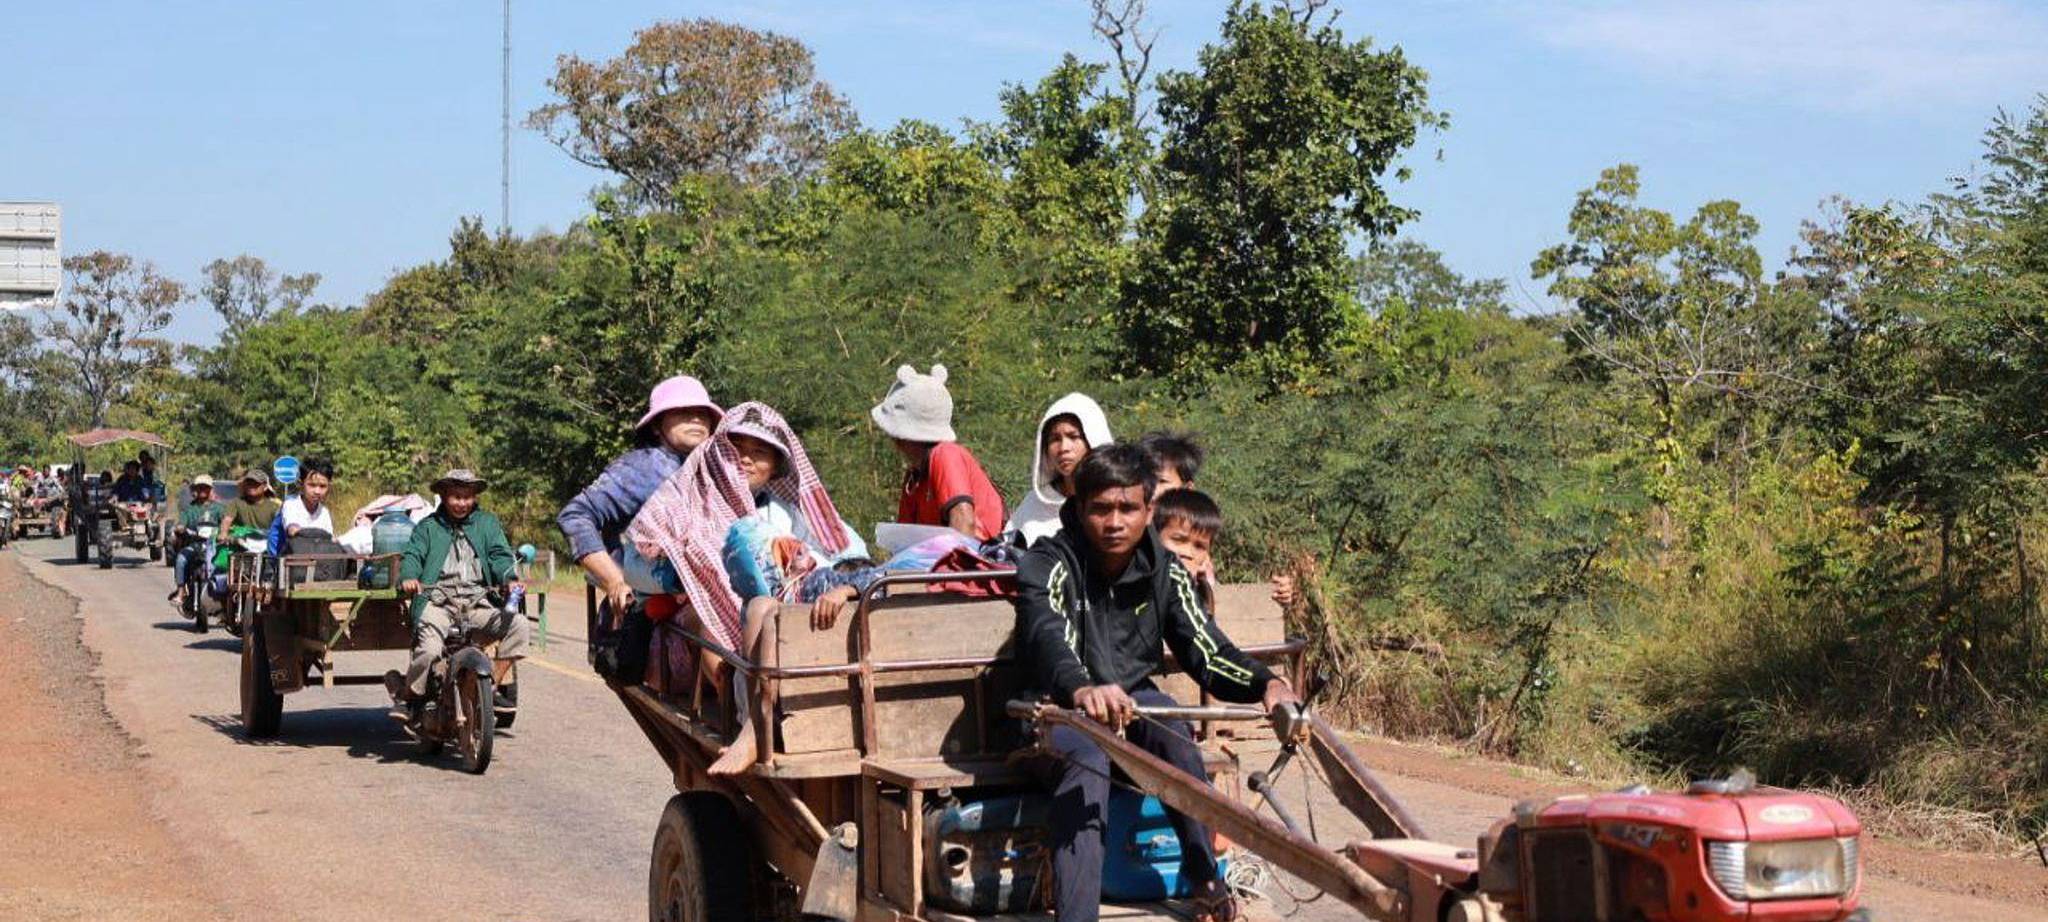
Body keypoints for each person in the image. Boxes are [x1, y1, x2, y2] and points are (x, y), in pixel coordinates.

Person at [1011, 443, 1298, 922]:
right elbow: (1047, 634)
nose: (1115, 521)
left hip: (1133, 707)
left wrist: (1266, 684)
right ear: (1079, 510)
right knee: (1088, 755)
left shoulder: (1164, 570)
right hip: (1051, 712)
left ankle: (1204, 877)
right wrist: (1082, 688)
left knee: (1177, 738)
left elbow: (1207, 650)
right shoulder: (1050, 562)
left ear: (1149, 510)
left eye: (1128, 508)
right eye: (1100, 508)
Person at [625, 402, 872, 774]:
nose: (745, 460)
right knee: (707, 621)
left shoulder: (788, 513)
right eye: (735, 449)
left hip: (782, 622)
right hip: (702, 624)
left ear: (775, 466)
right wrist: (692, 575)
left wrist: (829, 579)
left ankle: (797, 712)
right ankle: (745, 716)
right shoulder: (684, 500)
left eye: (759, 453)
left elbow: (847, 552)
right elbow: (635, 564)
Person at [559, 375, 723, 627]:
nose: (695, 418)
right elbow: (575, 515)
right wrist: (614, 579)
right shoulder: (642, 469)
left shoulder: (720, 469)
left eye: (703, 413)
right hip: (649, 605)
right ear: (657, 426)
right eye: (682, 411)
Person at [388, 469, 528, 719]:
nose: (462, 503)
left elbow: (500, 557)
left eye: (467, 497)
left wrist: (509, 580)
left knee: (518, 625)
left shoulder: (487, 524)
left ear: (475, 497)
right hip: (438, 602)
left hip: (477, 603)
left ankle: (490, 686)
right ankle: (408, 696)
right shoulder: (428, 527)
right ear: (443, 496)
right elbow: (413, 556)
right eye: (455, 497)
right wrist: (409, 578)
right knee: (430, 650)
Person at [1139, 433, 1297, 607]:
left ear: (1188, 488)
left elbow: (1216, 600)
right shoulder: (1127, 537)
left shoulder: (1199, 537)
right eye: (1146, 480)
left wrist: (1275, 595)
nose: (1152, 490)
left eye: (1162, 481)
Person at [869, 364, 1007, 541]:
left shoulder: (946, 455)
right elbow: (905, 541)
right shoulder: (914, 478)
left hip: (980, 561)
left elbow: (964, 523)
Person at [1004, 393, 1113, 547]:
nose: (1063, 448)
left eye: (1073, 437)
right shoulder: (1035, 504)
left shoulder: (1116, 497)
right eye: (1055, 439)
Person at [168, 475, 226, 605]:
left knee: (226, 563)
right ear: (195, 489)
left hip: (214, 546)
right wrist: (180, 527)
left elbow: (226, 523)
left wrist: (224, 533)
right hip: (194, 545)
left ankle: (225, 596)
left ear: (210, 489)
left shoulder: (219, 508)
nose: (202, 490)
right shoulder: (189, 509)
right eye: (200, 487)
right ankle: (181, 591)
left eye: (205, 487)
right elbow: (182, 522)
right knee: (181, 559)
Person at [273, 457, 335, 546]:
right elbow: (293, 531)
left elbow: (329, 540)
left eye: (322, 486)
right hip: (286, 557)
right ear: (300, 484)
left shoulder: (324, 512)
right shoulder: (290, 505)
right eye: (312, 485)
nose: (317, 491)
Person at [219, 469, 283, 537]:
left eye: (255, 483)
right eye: (249, 483)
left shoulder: (274, 507)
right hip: (241, 543)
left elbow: (280, 528)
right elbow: (227, 520)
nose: (251, 486)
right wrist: (223, 533)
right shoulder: (236, 503)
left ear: (264, 486)